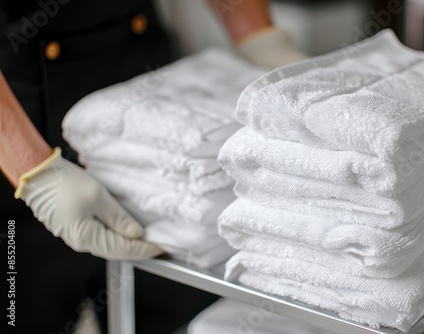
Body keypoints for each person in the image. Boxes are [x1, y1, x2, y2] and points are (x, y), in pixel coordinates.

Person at [0, 0, 307, 332]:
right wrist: (36, 175)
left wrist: (258, 40)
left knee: (189, 319)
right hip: (15, 129)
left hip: (146, 85)